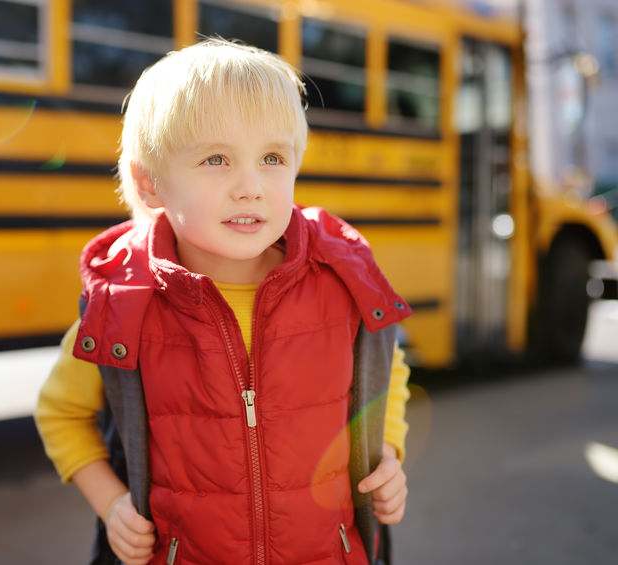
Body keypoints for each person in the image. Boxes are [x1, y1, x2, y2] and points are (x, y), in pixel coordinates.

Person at [36, 38, 411, 565]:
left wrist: (387, 456)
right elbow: (62, 412)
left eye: (273, 158)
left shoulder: (340, 287)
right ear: (150, 185)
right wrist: (112, 502)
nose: (252, 186)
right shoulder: (123, 305)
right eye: (216, 159)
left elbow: (385, 374)